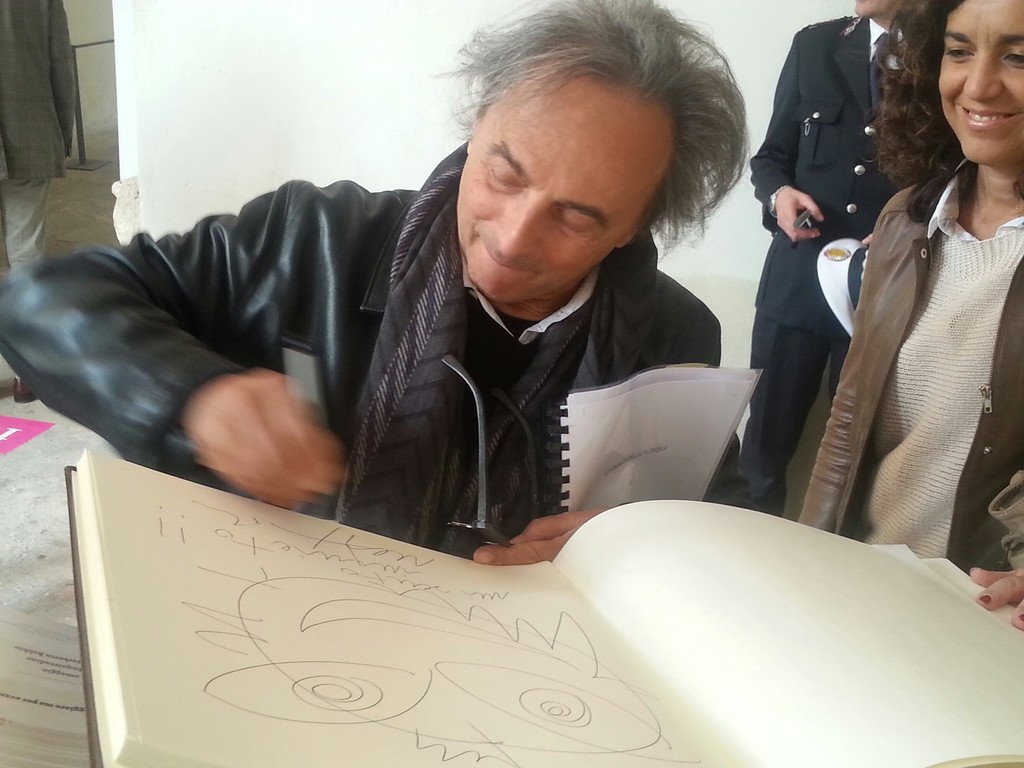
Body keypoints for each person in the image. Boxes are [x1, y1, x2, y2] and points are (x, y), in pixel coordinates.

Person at [0, 0, 748, 565]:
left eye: (577, 217)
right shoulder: (312, 241)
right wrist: (190, 395)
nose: (513, 238)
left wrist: (635, 546)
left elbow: (725, 525)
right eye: (503, 174)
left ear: (636, 225)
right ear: (476, 127)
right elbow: (40, 302)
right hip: (263, 622)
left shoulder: (671, 337)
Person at [801, 0, 1024, 631]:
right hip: (862, 584)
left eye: (1018, 57)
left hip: (977, 613)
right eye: (958, 52)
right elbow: (849, 414)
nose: (978, 86)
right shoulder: (905, 220)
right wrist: (806, 555)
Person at [738, 0, 900, 516]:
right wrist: (779, 195)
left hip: (881, 291)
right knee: (761, 455)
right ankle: (747, 549)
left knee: (855, 465)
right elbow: (770, 158)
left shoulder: (950, 53)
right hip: (796, 282)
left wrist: (908, 228)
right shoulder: (816, 45)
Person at [0, 0, 76, 404]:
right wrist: (62, 131)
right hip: (29, 131)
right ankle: (26, 373)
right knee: (28, 256)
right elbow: (60, 62)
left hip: (30, 135)